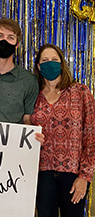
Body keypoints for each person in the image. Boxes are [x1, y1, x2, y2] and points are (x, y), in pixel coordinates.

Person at [30, 43, 95, 217]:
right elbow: (24, 126)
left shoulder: (80, 92)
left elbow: (91, 135)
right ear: (38, 65)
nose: (49, 63)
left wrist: (85, 176)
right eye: (44, 60)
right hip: (41, 174)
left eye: (54, 60)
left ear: (61, 63)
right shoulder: (33, 95)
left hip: (73, 175)